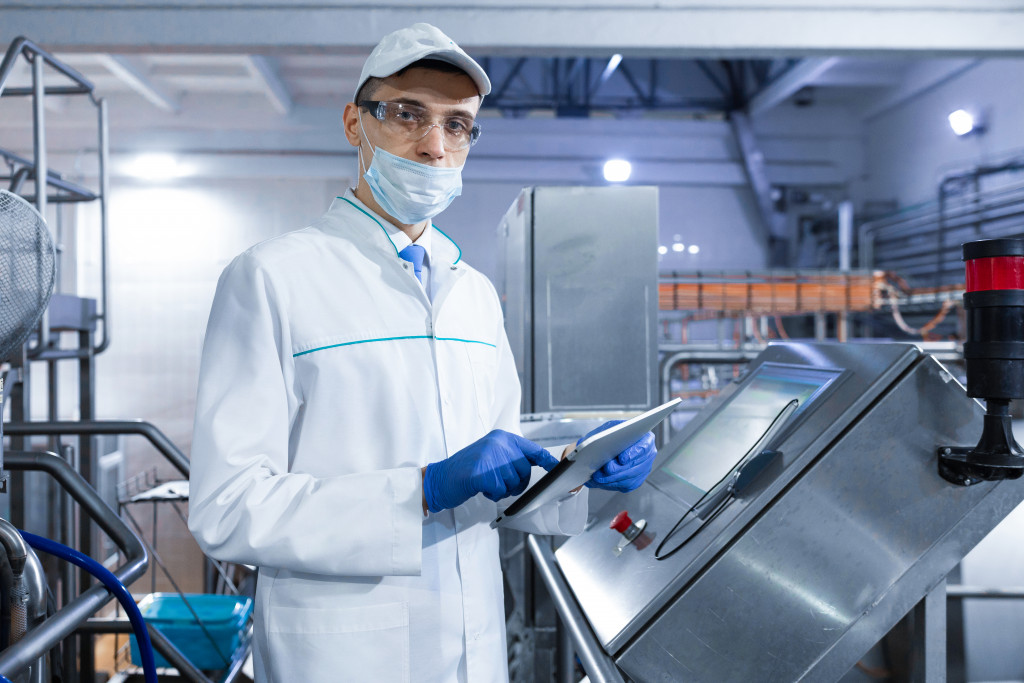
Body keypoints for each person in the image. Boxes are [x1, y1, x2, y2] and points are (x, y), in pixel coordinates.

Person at [187, 23, 658, 683]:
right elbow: (228, 506)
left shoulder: (474, 294)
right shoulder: (271, 278)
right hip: (343, 655)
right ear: (356, 123)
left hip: (473, 647)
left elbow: (498, 480)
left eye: (458, 125)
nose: (435, 146)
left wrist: (581, 469)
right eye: (408, 114)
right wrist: (421, 490)